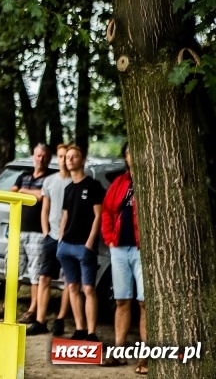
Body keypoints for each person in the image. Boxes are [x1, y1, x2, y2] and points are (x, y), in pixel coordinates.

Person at [0, 144, 52, 322]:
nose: (40, 159)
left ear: (48, 158)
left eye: (44, 156)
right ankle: (7, 307)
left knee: (35, 273)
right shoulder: (23, 176)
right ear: (33, 156)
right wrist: (28, 193)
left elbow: (41, 196)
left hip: (37, 232)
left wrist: (23, 191)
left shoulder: (50, 179)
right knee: (12, 271)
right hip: (17, 230)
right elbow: (13, 192)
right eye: (38, 155)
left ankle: (32, 310)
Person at [100, 142, 147, 372]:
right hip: (119, 249)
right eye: (129, 153)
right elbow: (107, 211)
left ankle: (146, 357)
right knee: (121, 301)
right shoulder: (120, 182)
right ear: (126, 158)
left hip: (142, 251)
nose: (133, 156)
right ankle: (119, 353)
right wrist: (109, 238)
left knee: (145, 303)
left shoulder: (151, 181)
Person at [56, 145, 105, 342]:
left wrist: (89, 243)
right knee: (72, 287)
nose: (70, 160)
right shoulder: (68, 188)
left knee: (89, 289)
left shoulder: (93, 186)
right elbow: (65, 216)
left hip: (84, 247)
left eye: (74, 156)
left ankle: (92, 333)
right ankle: (80, 329)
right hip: (66, 246)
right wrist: (60, 240)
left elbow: (98, 215)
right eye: (67, 157)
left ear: (82, 160)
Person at [26, 143, 72, 336]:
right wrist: (46, 233)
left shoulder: (76, 181)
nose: (64, 160)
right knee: (44, 277)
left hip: (70, 238)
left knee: (68, 281)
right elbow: (45, 209)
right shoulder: (50, 181)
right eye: (60, 156)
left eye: (66, 157)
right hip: (51, 237)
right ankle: (40, 320)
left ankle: (60, 319)